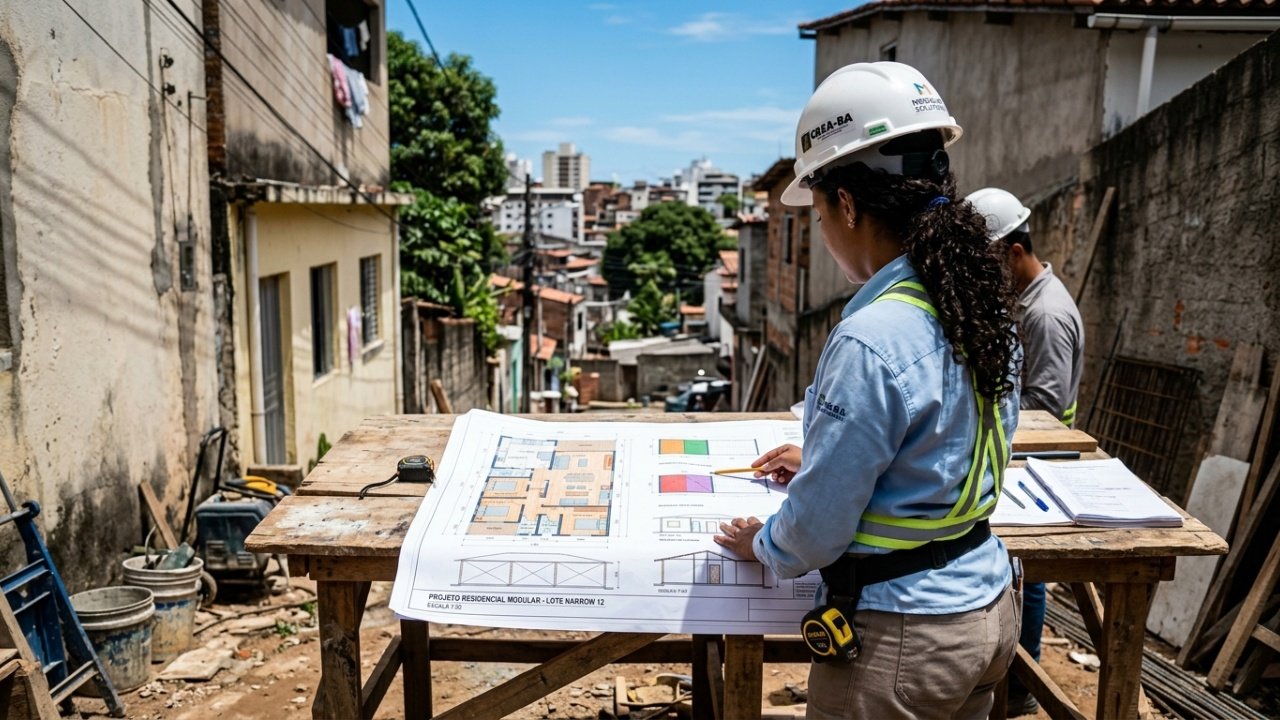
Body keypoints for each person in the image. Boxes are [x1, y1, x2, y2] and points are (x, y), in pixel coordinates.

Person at [714, 61, 1022, 719]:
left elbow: (818, 533)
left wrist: (761, 544)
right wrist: (830, 458)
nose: (823, 236)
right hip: (989, 609)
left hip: (906, 639)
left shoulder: (872, 334)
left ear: (848, 205)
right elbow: (954, 444)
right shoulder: (976, 301)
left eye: (820, 217)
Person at [967, 187, 1086, 716]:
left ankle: (1019, 685)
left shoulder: (1045, 316)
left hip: (1040, 462)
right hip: (1024, 457)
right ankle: (1018, 678)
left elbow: (1045, 403)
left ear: (1015, 252)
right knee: (1021, 571)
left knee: (1026, 574)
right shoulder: (1029, 302)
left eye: (990, 262)